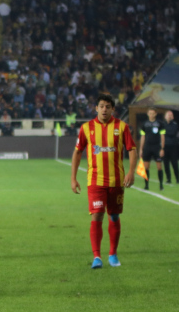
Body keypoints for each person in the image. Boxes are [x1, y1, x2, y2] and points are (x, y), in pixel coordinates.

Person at [71, 93, 137, 269]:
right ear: (96, 108)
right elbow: (78, 152)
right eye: (101, 106)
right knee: (97, 214)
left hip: (116, 181)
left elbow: (132, 149)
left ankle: (113, 254)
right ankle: (97, 257)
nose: (104, 110)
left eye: (108, 107)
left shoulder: (122, 127)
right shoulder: (86, 128)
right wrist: (73, 178)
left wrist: (131, 172)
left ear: (113, 109)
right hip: (95, 181)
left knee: (114, 215)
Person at [139, 107, 165, 190]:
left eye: (153, 113)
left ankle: (161, 185)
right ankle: (146, 185)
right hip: (147, 147)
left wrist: (162, 148)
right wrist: (141, 149)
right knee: (146, 167)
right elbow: (143, 137)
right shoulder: (144, 124)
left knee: (159, 167)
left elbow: (162, 136)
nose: (151, 115)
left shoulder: (160, 124)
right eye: (150, 113)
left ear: (155, 114)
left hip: (157, 147)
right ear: (148, 114)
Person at [163, 110, 179, 184]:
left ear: (172, 117)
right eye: (168, 115)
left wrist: (164, 132)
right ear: (165, 116)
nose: (169, 116)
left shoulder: (175, 124)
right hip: (165, 146)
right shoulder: (163, 124)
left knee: (174, 163)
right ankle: (168, 179)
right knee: (166, 163)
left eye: (171, 115)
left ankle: (177, 179)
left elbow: (172, 133)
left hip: (173, 146)